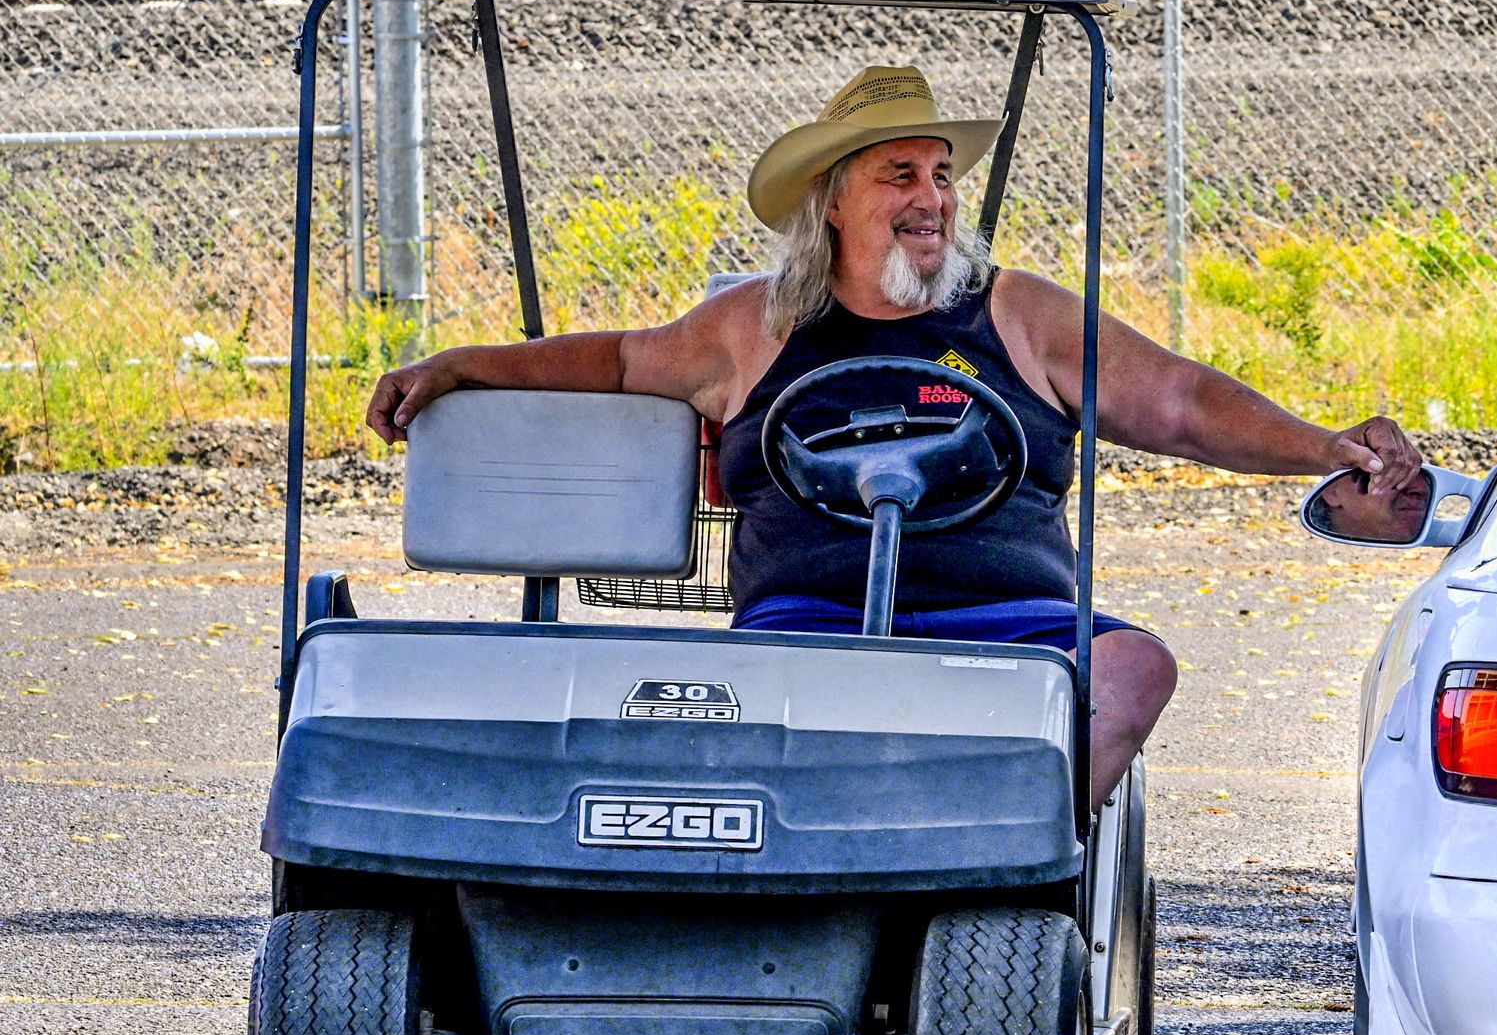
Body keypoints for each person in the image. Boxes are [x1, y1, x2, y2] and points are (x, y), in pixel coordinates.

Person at [364, 64, 1421, 809]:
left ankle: (1025, 867)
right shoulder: (754, 325)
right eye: (900, 175)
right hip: (807, 624)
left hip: (1006, 623)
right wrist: (458, 364)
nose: (933, 199)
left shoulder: (1019, 313)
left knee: (1133, 668)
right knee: (708, 719)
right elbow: (616, 361)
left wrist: (1328, 443)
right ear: (832, 201)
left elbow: (1181, 402)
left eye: (942, 174)